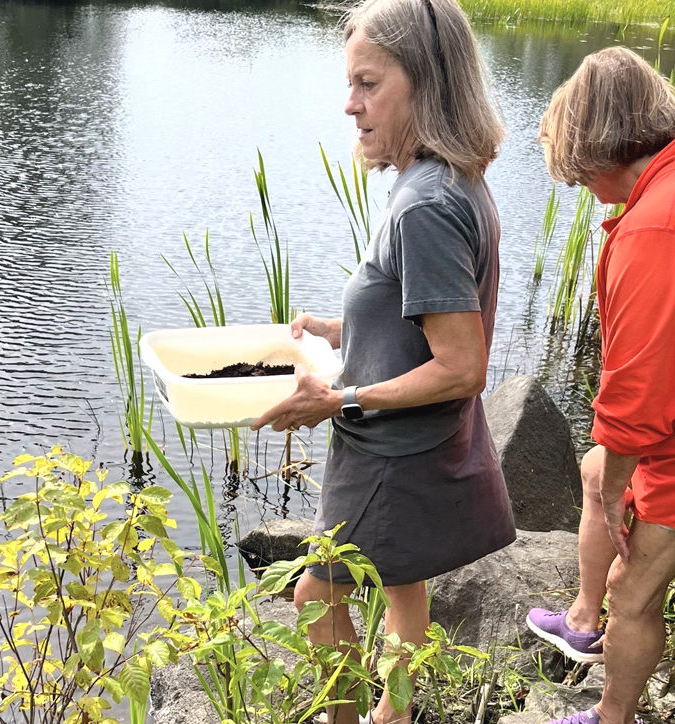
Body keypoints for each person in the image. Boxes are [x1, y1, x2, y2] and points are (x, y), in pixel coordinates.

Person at [251, 0, 516, 721]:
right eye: (350, 84)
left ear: (425, 82)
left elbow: (461, 367)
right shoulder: (446, 180)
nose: (350, 105)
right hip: (415, 443)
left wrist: (335, 401)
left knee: (314, 597)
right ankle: (394, 714)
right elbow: (423, 313)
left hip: (394, 454)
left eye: (368, 84)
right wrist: (341, 330)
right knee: (403, 584)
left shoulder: (423, 204)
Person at [525, 46, 675, 724]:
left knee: (633, 589)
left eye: (580, 174)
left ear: (599, 146)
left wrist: (619, 488)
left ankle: (610, 717)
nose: (582, 187)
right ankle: (585, 621)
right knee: (593, 468)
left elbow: (641, 381)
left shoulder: (654, 226)